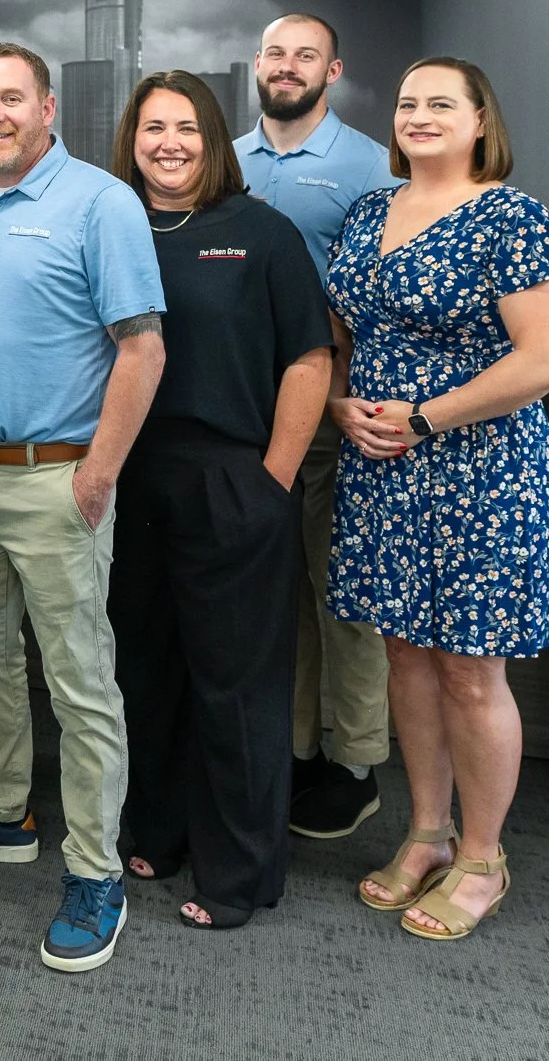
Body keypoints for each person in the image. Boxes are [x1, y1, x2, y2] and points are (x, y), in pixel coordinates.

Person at [0, 42, 165, 974]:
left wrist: (97, 472)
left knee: (80, 680)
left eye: (12, 98)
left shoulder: (100, 201)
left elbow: (142, 350)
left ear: (48, 107)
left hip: (60, 478)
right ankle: (2, 809)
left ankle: (96, 869)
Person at [332, 58, 549, 941]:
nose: (420, 116)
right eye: (407, 103)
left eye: (442, 103)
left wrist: (427, 417)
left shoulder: (512, 217)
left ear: (481, 120)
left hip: (480, 471)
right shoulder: (370, 211)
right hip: (384, 467)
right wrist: (339, 404)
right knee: (404, 658)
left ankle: (482, 855)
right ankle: (427, 835)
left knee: (472, 673)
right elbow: (342, 331)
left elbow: (547, 359)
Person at [105, 71, 333, 929]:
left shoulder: (261, 232)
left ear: (214, 137)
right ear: (131, 137)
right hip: (130, 477)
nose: (169, 142)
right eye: (153, 127)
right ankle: (158, 830)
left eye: (187, 127)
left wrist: (271, 481)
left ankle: (240, 870)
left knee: (235, 685)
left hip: (232, 478)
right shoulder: (113, 224)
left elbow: (310, 360)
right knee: (146, 670)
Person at [233, 13, 403, 840]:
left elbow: (375, 303)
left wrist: (333, 388)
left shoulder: (372, 166)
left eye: (306, 55)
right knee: (279, 596)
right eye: (275, 53)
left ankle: (356, 762)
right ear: (256, 65)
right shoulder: (225, 160)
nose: (287, 66)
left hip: (338, 414)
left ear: (332, 70)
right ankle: (296, 747)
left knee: (344, 594)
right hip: (247, 415)